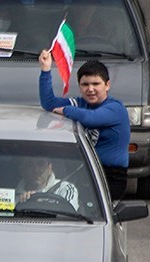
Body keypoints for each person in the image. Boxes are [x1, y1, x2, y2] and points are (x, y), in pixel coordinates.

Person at [38, 51, 130, 200]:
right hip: (84, 171)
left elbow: (91, 119)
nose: (90, 89)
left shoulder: (116, 108)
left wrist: (66, 110)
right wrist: (45, 70)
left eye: (96, 84)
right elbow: (49, 103)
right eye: (85, 84)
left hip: (111, 176)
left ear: (107, 85)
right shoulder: (80, 104)